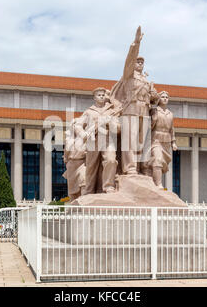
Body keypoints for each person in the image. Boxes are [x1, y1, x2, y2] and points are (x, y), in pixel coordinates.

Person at [110, 26, 159, 175]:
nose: (139, 64)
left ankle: (140, 169)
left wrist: (153, 94)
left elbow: (153, 98)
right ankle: (130, 168)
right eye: (137, 62)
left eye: (141, 62)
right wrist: (136, 43)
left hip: (143, 110)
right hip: (130, 110)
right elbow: (130, 59)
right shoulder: (128, 75)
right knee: (129, 141)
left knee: (141, 142)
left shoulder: (145, 80)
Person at [75, 87, 120, 194]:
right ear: (94, 97)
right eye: (99, 95)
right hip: (92, 140)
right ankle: (89, 189)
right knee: (91, 166)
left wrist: (110, 123)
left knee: (111, 160)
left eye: (103, 95)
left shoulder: (111, 111)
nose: (101, 97)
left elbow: (118, 128)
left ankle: (109, 186)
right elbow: (78, 125)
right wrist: (83, 133)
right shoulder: (89, 112)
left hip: (108, 140)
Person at [148, 91, 178, 189]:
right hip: (156, 139)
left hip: (166, 141)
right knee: (158, 159)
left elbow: (172, 129)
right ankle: (158, 184)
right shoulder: (155, 110)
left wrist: (173, 142)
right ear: (159, 99)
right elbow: (149, 126)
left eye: (167, 97)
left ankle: (154, 181)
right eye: (163, 97)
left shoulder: (170, 114)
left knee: (162, 163)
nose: (165, 98)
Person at [62, 118, 86, 201]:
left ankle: (84, 203)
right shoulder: (69, 140)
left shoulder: (85, 138)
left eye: (77, 125)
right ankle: (73, 206)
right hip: (71, 165)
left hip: (82, 163)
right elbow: (65, 156)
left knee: (83, 181)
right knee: (72, 189)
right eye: (74, 125)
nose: (76, 127)